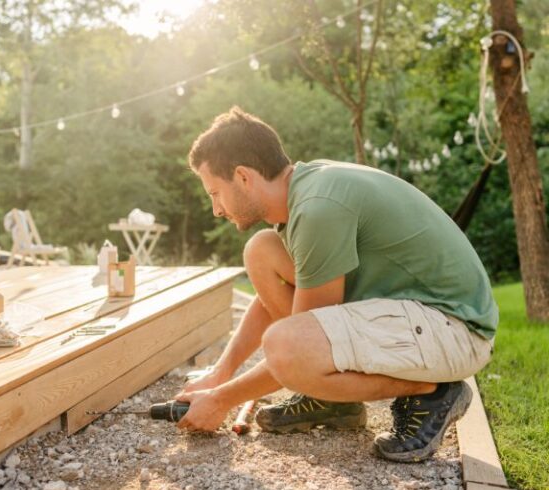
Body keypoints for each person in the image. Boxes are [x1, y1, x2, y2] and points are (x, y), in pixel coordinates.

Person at [175, 107, 498, 462]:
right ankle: (330, 399)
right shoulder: (305, 190)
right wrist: (221, 374)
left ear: (243, 177)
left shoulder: (317, 209)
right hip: (421, 318)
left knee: (287, 346)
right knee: (261, 252)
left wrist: (221, 400)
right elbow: (276, 302)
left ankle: (435, 390)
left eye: (215, 193)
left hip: (455, 331)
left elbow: (295, 345)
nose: (216, 209)